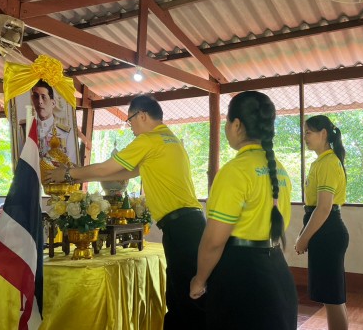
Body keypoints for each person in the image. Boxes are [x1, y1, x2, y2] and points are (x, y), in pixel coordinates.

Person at [44, 95, 206, 329]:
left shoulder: (148, 139)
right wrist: (79, 175)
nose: (130, 127)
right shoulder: (170, 140)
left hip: (180, 226)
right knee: (183, 296)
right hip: (190, 224)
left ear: (142, 115)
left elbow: (108, 168)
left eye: (130, 120)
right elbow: (121, 174)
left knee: (185, 299)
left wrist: (68, 174)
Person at [190, 91, 298, 329]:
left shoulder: (235, 171)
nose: (227, 127)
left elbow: (214, 241)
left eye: (227, 122)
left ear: (237, 125)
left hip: (242, 279)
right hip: (277, 274)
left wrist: (199, 280)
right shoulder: (279, 170)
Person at [295, 115, 349, 330]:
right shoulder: (323, 161)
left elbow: (324, 208)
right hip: (325, 231)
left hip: (328, 232)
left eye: (308, 132)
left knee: (333, 299)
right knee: (333, 298)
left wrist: (303, 238)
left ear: (323, 134)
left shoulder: (327, 162)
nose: (304, 138)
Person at [31, 80, 76, 166]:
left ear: (53, 103)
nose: (39, 101)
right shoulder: (27, 130)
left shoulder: (66, 133)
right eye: (36, 97)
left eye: (43, 97)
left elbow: (72, 165)